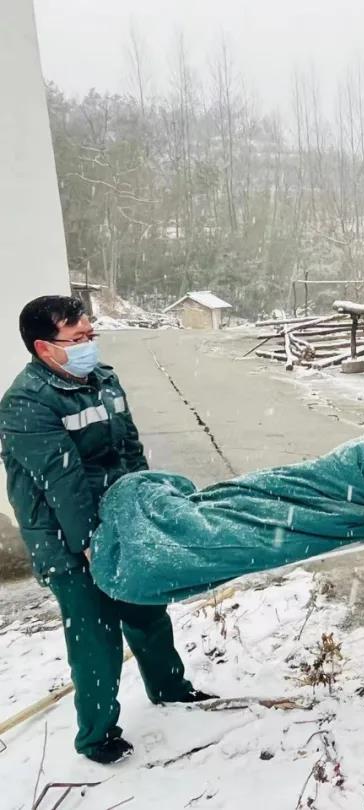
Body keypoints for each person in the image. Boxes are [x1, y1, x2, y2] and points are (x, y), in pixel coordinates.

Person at [0, 296, 213, 764]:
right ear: (43, 347)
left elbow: (129, 449)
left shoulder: (103, 381)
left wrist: (145, 500)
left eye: (90, 336)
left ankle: (171, 690)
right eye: (76, 340)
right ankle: (97, 736)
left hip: (118, 522)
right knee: (95, 636)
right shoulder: (26, 404)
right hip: (65, 538)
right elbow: (64, 483)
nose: (87, 347)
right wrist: (91, 543)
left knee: (146, 609)